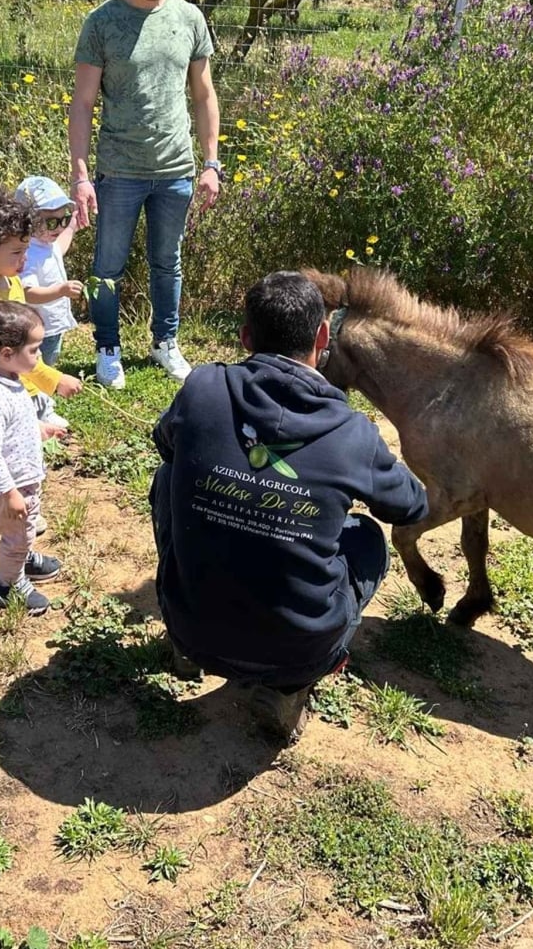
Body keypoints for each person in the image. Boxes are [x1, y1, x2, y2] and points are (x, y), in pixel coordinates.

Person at [149, 271, 429, 741]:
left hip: (189, 624)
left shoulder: (202, 387)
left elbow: (166, 445)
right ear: (323, 336)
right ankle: (288, 688)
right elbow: (411, 506)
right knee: (367, 538)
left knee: (167, 480)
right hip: (298, 652)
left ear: (244, 338)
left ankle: (188, 648)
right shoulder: (352, 431)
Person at [69, 0, 222, 389]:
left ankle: (165, 342)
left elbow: (205, 95)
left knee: (167, 263)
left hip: (176, 169)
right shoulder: (102, 23)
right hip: (119, 171)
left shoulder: (190, 18)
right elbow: (82, 103)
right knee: (107, 267)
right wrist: (81, 175)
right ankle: (107, 348)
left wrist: (210, 163)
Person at [0, 188, 83, 437]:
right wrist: (56, 381)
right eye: (16, 252)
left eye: (25, 250)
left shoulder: (8, 278)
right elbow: (11, 357)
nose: (24, 259)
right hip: (8, 386)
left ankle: (41, 412)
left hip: (23, 379)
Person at [0, 301, 66, 614]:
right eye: (35, 349)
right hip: (8, 488)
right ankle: (8, 586)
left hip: (18, 483)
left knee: (20, 534)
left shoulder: (7, 379)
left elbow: (14, 423)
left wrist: (39, 429)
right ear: (7, 353)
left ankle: (20, 558)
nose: (39, 357)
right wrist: (9, 493)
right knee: (17, 536)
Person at [14, 175, 84, 369]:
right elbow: (27, 292)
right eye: (52, 223)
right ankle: (37, 389)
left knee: (48, 359)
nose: (60, 227)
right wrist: (61, 290)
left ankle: (41, 384)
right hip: (36, 327)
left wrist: (72, 225)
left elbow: (60, 248)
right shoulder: (28, 253)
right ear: (29, 221)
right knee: (36, 364)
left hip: (52, 323)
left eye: (64, 219)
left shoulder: (46, 242)